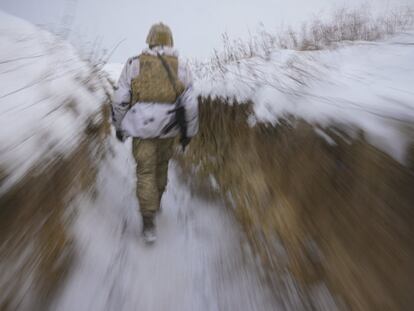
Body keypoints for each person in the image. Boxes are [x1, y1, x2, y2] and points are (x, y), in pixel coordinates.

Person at [111, 23, 198, 243]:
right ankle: (156, 202)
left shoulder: (134, 63)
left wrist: (119, 126)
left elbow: (121, 98)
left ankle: (148, 220)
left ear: (149, 39)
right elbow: (190, 103)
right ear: (170, 40)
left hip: (141, 128)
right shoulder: (182, 66)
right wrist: (188, 132)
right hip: (168, 129)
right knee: (161, 167)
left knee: (145, 171)